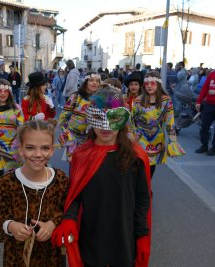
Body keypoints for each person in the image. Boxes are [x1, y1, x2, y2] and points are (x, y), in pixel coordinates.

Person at [51, 86, 152, 267]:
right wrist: (69, 218)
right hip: (92, 237)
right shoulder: (81, 155)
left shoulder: (135, 157)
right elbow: (75, 194)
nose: (106, 127)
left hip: (124, 236)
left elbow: (143, 199)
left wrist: (142, 234)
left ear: (122, 120)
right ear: (90, 117)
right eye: (99, 118)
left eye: (113, 119)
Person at [0, 120, 69, 266]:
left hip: (51, 258)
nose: (38, 154)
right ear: (21, 149)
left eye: (45, 148)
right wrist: (10, 226)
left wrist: (52, 223)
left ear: (52, 150)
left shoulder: (60, 180)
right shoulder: (6, 183)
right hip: (16, 258)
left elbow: (68, 212)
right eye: (30, 148)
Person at [132, 71, 185, 177]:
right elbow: (132, 121)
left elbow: (170, 123)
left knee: (150, 171)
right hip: (140, 139)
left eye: (152, 83)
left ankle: (147, 191)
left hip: (157, 142)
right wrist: (133, 137)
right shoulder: (138, 101)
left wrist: (172, 142)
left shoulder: (166, 101)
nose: (149, 86)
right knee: (140, 169)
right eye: (147, 84)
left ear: (158, 84)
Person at [58, 72, 101, 162]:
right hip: (73, 137)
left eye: (97, 81)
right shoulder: (76, 96)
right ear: (85, 82)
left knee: (87, 166)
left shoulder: (100, 99)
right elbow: (63, 116)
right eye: (91, 80)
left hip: (91, 139)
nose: (95, 83)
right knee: (74, 164)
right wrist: (66, 133)